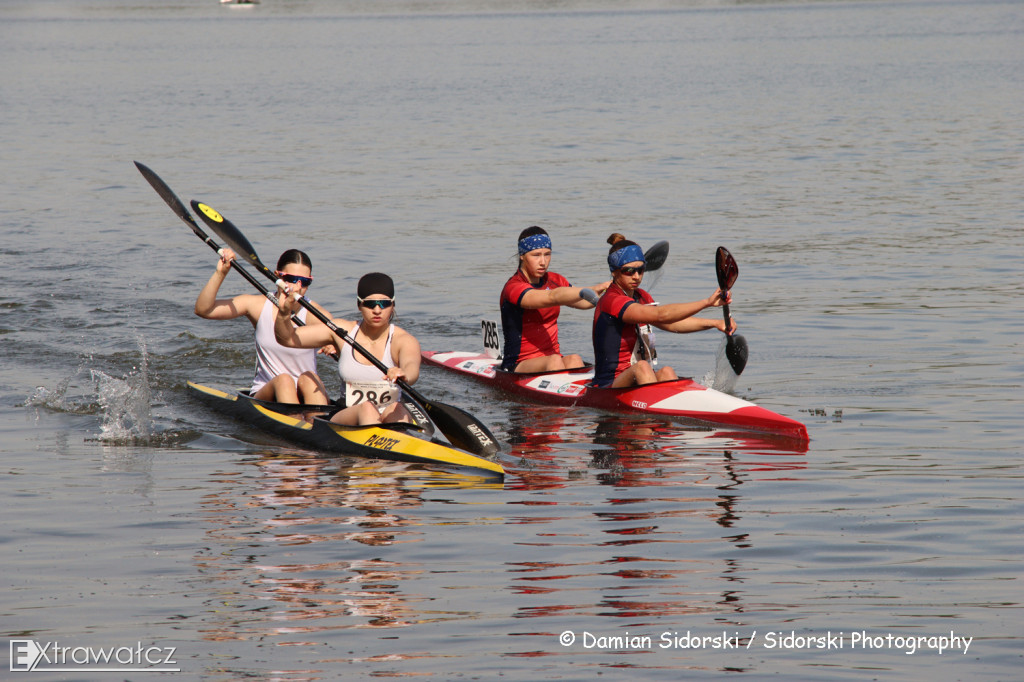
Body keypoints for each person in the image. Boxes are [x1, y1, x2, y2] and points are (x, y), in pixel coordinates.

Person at [274, 272, 421, 426]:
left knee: (399, 410)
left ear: (393, 305)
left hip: (387, 413)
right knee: (367, 408)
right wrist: (284, 313)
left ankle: (398, 443)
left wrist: (404, 374)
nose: (377, 310)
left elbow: (411, 369)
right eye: (370, 304)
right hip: (346, 414)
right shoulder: (341, 330)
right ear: (359, 305)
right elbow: (287, 339)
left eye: (384, 303)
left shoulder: (404, 340)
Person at [592, 233, 736, 388]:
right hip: (610, 384)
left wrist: (714, 323)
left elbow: (672, 323)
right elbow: (661, 315)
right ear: (614, 271)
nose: (636, 276)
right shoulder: (612, 300)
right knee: (642, 367)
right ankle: (655, 410)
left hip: (638, 380)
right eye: (629, 271)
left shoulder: (642, 297)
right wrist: (706, 303)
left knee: (667, 371)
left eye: (641, 270)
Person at [194, 248, 330, 405]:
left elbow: (342, 340)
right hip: (268, 392)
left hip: (305, 393)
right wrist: (221, 273)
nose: (297, 287)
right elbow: (204, 310)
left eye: (305, 282)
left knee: (309, 378)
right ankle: (295, 421)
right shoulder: (257, 306)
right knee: (284, 380)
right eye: (291, 279)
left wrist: (332, 344)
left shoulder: (316, 314)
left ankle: (316, 420)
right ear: (277, 276)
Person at [499, 226, 611, 372]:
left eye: (547, 254)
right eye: (536, 255)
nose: (543, 262)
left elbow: (585, 302)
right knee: (554, 361)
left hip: (553, 359)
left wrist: (609, 291)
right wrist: (592, 288)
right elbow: (552, 297)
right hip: (519, 363)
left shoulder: (555, 280)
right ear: (522, 255)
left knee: (575, 359)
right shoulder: (513, 287)